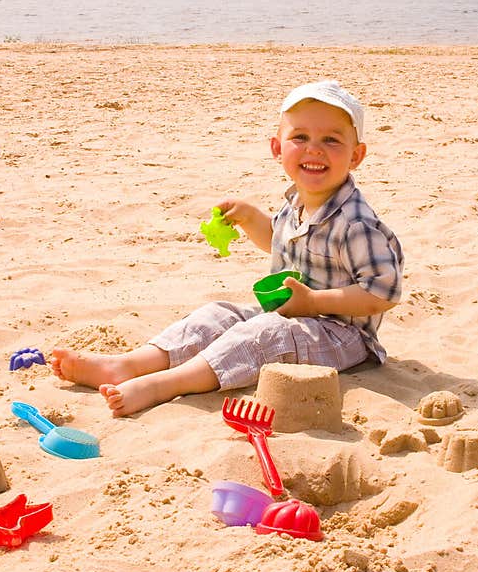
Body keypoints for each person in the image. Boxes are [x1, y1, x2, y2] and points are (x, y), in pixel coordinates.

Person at [51, 80, 404, 417]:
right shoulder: (297, 201)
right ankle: (127, 365)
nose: (314, 149)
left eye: (331, 140)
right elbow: (280, 244)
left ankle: (163, 385)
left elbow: (382, 292)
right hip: (295, 313)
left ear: (356, 156)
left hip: (343, 335)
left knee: (262, 335)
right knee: (218, 315)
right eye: (300, 137)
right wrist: (252, 219)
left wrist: (313, 302)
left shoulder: (356, 223)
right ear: (277, 148)